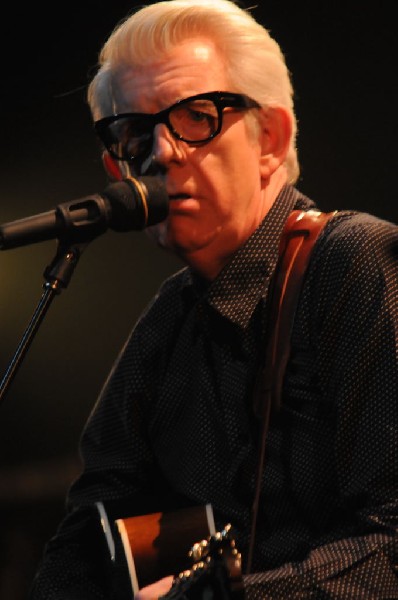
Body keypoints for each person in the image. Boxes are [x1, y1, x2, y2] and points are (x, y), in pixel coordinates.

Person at [30, 0, 398, 598]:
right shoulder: (166, 326)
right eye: (135, 133)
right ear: (114, 165)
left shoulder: (355, 265)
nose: (163, 153)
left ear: (270, 140)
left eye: (196, 117)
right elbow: (88, 534)